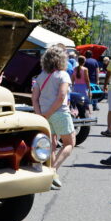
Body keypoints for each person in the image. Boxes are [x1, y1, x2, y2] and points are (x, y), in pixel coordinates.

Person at [32, 45, 75, 189]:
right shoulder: (63, 75)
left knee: (51, 144)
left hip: (43, 114)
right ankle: (53, 170)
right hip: (59, 113)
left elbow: (34, 98)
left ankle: (51, 175)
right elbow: (62, 95)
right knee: (69, 143)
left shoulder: (40, 76)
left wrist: (40, 115)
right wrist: (50, 112)